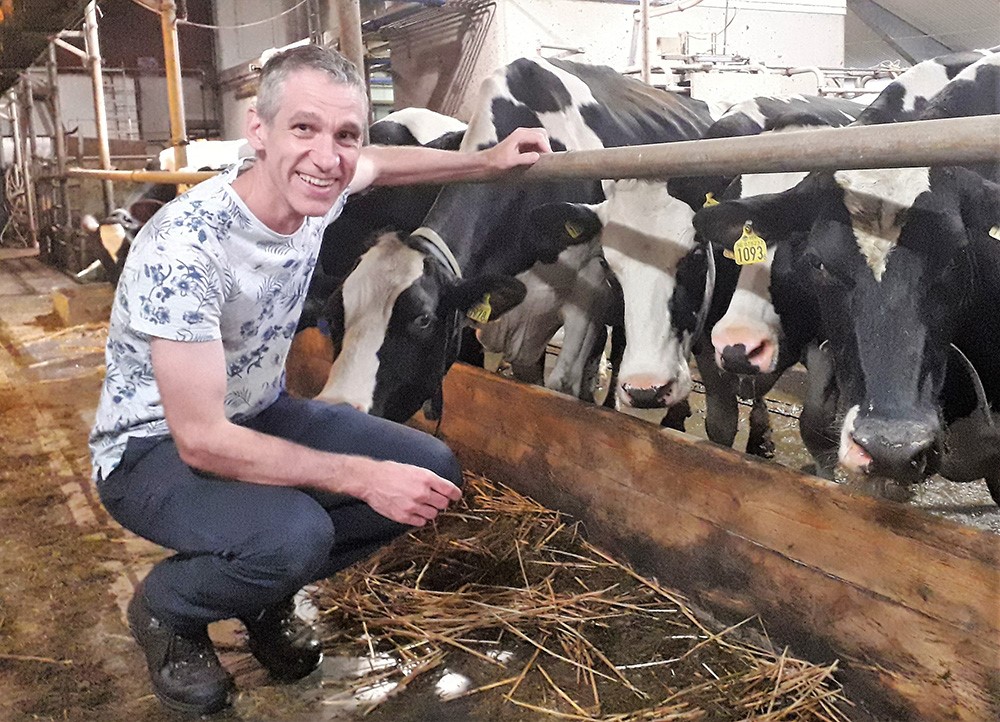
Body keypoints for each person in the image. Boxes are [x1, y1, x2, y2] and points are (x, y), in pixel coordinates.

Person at [89, 43, 550, 716]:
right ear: (259, 130)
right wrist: (360, 476)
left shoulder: (319, 192)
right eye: (303, 128)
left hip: (258, 410)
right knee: (296, 531)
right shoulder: (186, 250)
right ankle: (171, 611)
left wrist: (484, 161)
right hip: (149, 452)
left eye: (344, 134)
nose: (328, 156)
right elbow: (202, 442)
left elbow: (381, 165)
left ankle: (260, 596)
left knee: (430, 468)